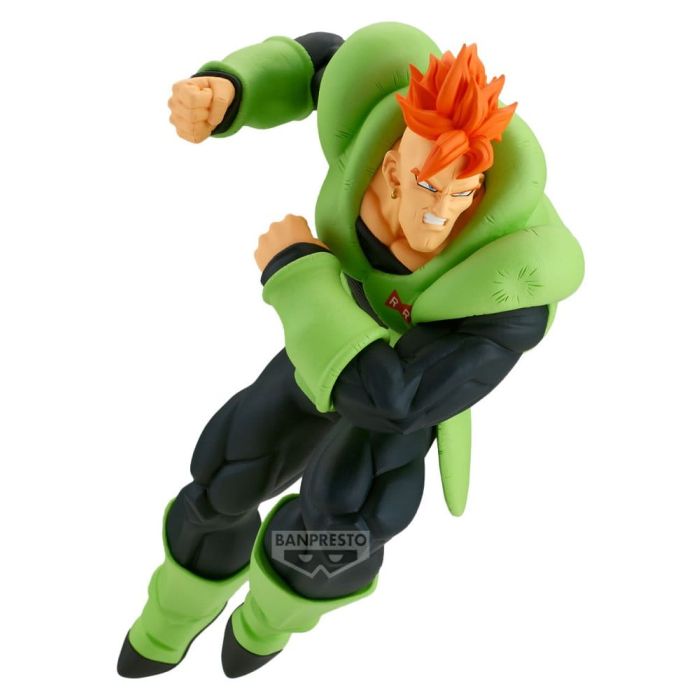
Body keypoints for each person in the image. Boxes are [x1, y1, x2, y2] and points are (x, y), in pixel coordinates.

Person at [118, 22, 584, 679]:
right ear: (392, 167)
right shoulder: (369, 122)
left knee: (341, 527)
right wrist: (232, 88)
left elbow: (396, 402)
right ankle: (172, 612)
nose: (439, 216)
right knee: (224, 473)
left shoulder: (514, 282)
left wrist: (297, 275)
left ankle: (264, 626)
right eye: (428, 187)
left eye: (462, 195)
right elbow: (319, 65)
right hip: (332, 339)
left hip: (413, 375)